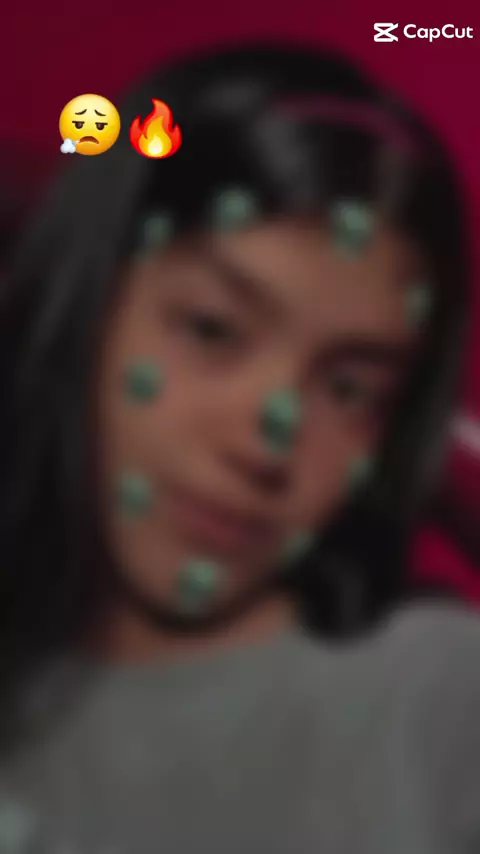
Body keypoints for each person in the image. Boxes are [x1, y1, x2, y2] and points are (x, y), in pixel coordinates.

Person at [0, 43, 479, 854]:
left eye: (349, 389)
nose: (266, 441)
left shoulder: (438, 701)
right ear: (88, 304)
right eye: (212, 330)